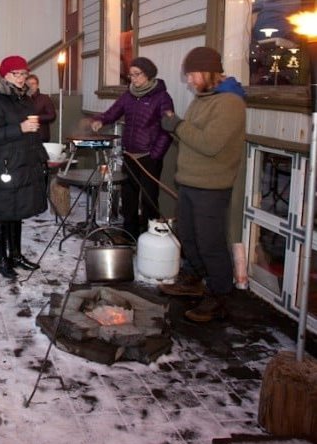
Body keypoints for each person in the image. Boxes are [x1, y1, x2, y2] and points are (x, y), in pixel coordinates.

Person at [159, 46, 246, 323]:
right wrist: (174, 129)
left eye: (192, 75)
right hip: (189, 182)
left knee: (210, 243)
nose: (189, 81)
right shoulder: (203, 98)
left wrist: (177, 125)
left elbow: (209, 144)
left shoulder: (229, 102)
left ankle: (220, 296)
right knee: (186, 234)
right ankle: (194, 279)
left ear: (208, 72)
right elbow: (189, 137)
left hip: (212, 186)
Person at [88, 57, 174, 241]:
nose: (133, 79)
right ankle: (129, 234)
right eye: (131, 75)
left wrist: (155, 154)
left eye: (137, 74)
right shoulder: (129, 95)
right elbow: (113, 111)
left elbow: (167, 130)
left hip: (148, 157)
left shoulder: (162, 97)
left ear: (149, 75)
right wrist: (100, 120)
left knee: (149, 198)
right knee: (129, 197)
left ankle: (150, 237)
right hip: (129, 154)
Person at [0, 55, 48, 279]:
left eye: (23, 74)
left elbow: (30, 133)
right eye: (15, 74)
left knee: (16, 211)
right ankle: (1, 259)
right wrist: (20, 128)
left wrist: (40, 155)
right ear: (5, 75)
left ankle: (16, 255)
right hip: (3, 166)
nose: (21, 78)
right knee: (2, 214)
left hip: (22, 164)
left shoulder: (24, 99)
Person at [25, 74, 56, 143]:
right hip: (26, 137)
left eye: (33, 83)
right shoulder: (21, 99)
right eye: (28, 84)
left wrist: (35, 118)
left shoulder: (44, 98)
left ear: (37, 85)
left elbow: (52, 116)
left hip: (41, 136)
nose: (30, 86)